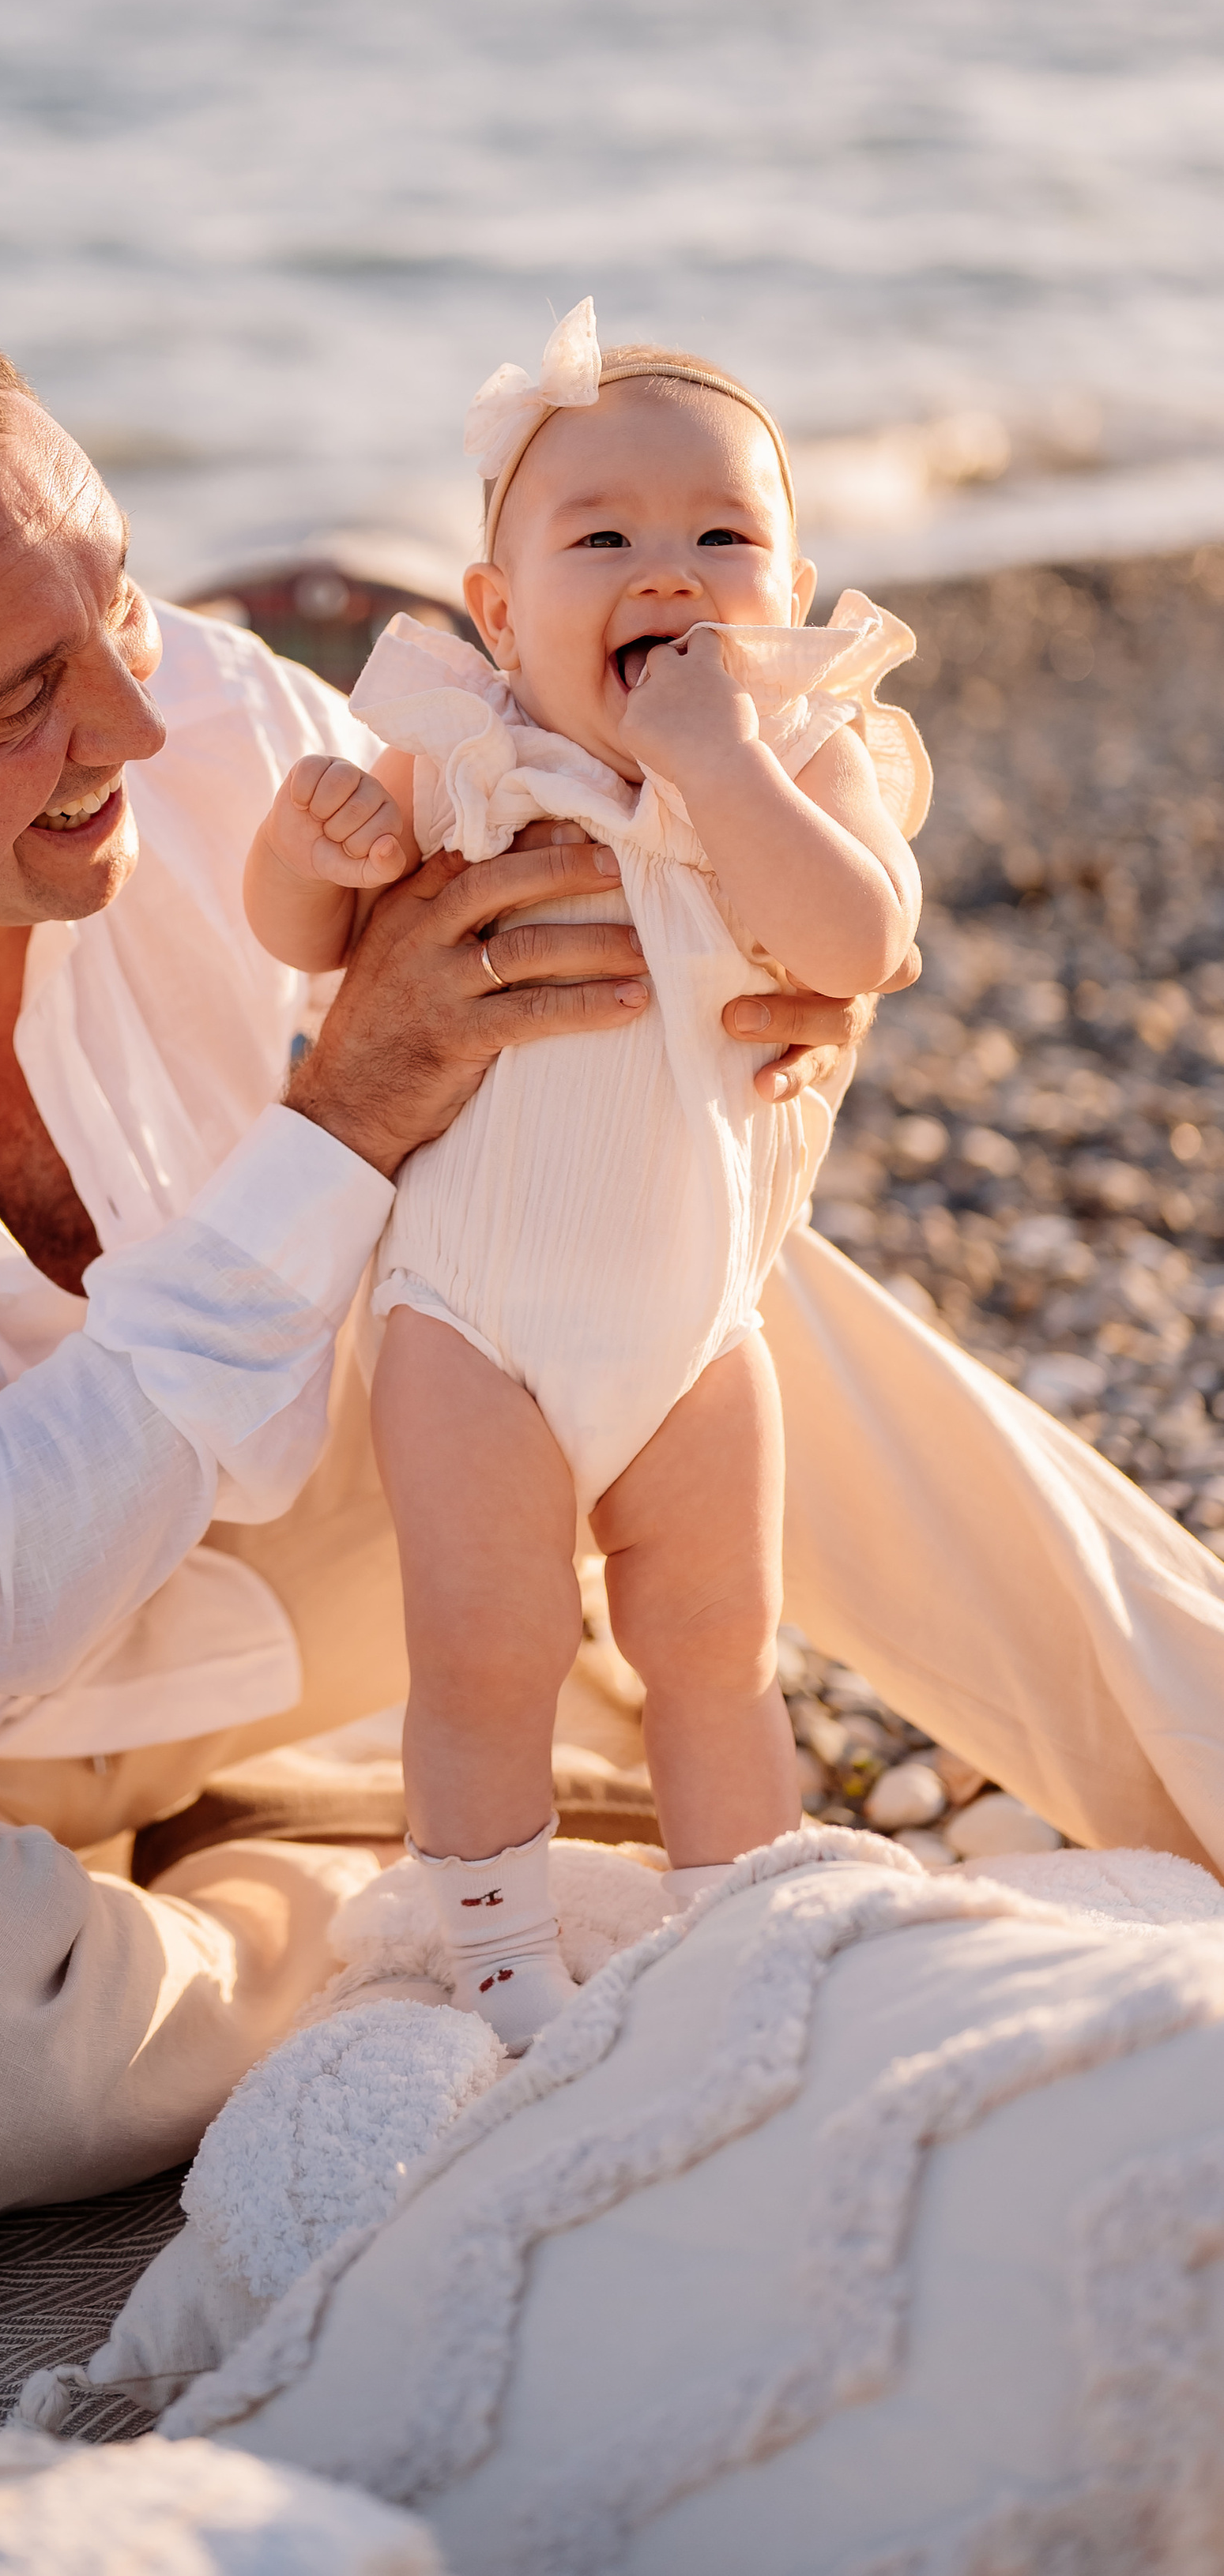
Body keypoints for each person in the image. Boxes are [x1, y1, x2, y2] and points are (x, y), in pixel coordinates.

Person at [0, 289, 1224, 2240]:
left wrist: (778, 972)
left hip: (237, 1556)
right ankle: (411, 1890)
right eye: (17, 698)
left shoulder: (201, 712)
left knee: (690, 1283)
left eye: (106, 594)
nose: (130, 712)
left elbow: (636, 932)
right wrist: (345, 1109)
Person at [245, 303, 928, 2041]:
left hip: (695, 1326)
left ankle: (736, 1919)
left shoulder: (800, 758)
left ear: (787, 581)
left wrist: (717, 758)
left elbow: (853, 937)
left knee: (715, 1646)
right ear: (495, 609)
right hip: (468, 1317)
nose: (668, 574)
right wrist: (301, 848)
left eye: (721, 538)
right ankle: (492, 1959)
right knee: (489, 1653)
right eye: (602, 538)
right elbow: (305, 940)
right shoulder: (463, 749)